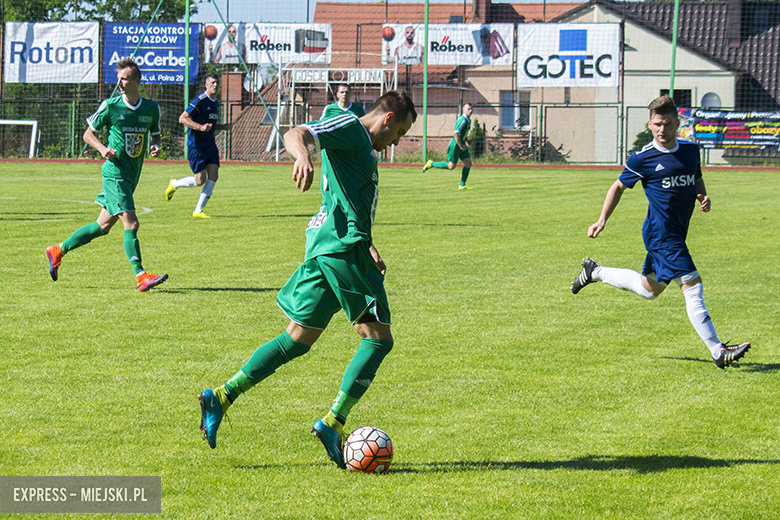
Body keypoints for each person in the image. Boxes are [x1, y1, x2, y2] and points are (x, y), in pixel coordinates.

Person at [198, 90, 417, 468]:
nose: (396, 141)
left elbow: (348, 200)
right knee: (378, 340)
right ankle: (333, 422)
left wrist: (369, 244)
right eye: (399, 132)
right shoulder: (350, 127)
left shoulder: (358, 139)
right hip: (339, 250)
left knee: (296, 339)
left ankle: (221, 395)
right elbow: (297, 132)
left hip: (339, 247)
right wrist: (302, 154)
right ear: (388, 118)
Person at [570, 95, 750, 369]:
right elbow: (617, 186)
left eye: (667, 124)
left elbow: (695, 176)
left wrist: (702, 195)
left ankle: (595, 271)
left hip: (677, 232)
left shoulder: (690, 151)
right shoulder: (643, 158)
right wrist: (602, 219)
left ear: (677, 123)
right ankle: (718, 350)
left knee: (649, 289)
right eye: (656, 124)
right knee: (693, 285)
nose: (661, 130)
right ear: (650, 124)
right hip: (661, 234)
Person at [45, 58, 168, 292]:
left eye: (124, 78)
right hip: (115, 174)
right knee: (131, 222)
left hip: (132, 175)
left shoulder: (152, 108)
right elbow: (87, 134)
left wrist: (155, 145)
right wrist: (102, 148)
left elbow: (156, 134)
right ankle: (141, 275)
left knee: (102, 226)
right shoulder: (110, 106)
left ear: (136, 81)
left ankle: (58, 250)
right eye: (118, 78)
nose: (119, 83)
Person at [166, 74, 231, 218]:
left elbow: (210, 125)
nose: (215, 85)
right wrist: (200, 128)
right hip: (197, 146)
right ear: (206, 85)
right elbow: (183, 118)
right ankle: (175, 184)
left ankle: (198, 211)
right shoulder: (200, 100)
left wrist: (222, 127)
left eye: (217, 83)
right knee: (199, 181)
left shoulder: (215, 103)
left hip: (210, 144)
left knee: (214, 175)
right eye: (213, 83)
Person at [423, 103, 474, 190]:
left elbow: (462, 134)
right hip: (456, 145)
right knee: (451, 166)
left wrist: (466, 141)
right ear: (463, 110)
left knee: (468, 163)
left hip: (461, 144)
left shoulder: (468, 120)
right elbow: (456, 133)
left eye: (471, 109)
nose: (470, 110)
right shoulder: (462, 120)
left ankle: (462, 185)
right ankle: (431, 164)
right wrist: (461, 145)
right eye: (468, 109)